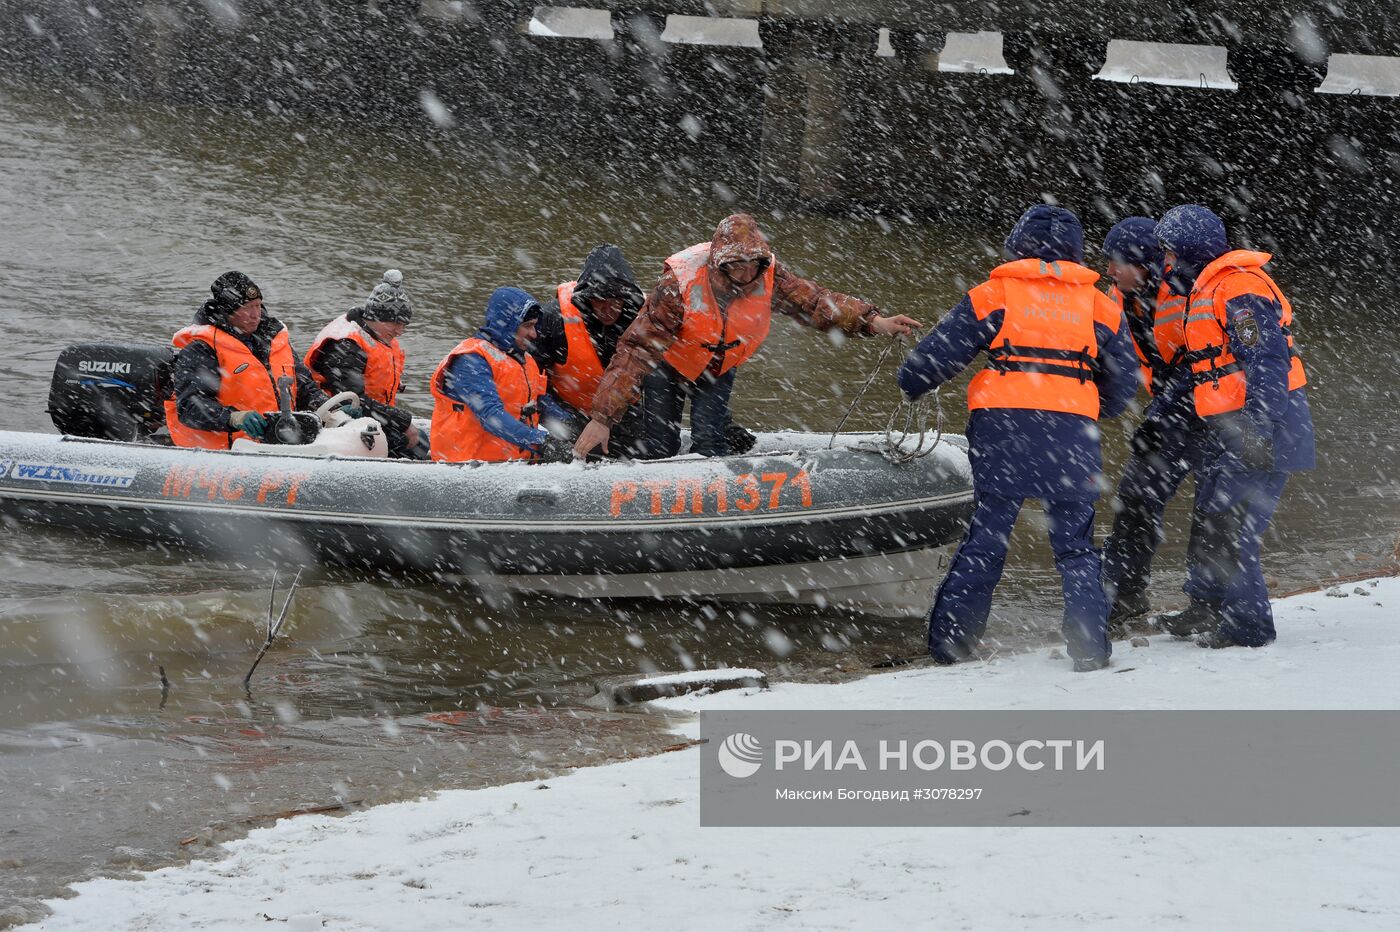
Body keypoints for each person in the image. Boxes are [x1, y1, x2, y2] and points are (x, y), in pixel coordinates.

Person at [897, 205, 1139, 672]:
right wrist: (1095, 406)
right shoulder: (1100, 305)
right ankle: (1090, 649)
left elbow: (941, 353)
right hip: (1072, 433)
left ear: (1018, 244)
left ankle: (953, 645)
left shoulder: (995, 294)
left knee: (986, 539)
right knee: (1076, 547)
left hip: (1003, 430)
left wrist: (912, 383)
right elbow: (1124, 379)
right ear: (1075, 251)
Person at [573, 213, 921, 460]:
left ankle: (711, 516)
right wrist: (602, 418)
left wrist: (874, 322)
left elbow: (817, 304)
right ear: (719, 263)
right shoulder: (677, 285)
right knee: (660, 445)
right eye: (735, 264)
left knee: (710, 442)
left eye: (751, 263)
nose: (744, 272)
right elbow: (636, 349)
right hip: (670, 364)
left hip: (718, 365)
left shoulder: (770, 275)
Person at [1151, 205, 1315, 648]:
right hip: (1234, 427)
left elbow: (1267, 362)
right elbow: (1206, 366)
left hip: (1263, 426)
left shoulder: (1239, 288)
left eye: (1169, 252)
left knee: (1234, 526)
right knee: (1212, 515)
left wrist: (1259, 429)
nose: (1165, 263)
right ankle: (1205, 607)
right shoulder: (1208, 288)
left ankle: (1248, 627)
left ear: (1188, 252)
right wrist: (1164, 409)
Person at [1096, 217, 1208, 629]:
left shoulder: (1188, 292)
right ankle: (1124, 594)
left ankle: (1207, 602)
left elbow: (1199, 365)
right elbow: (1104, 358)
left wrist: (1158, 418)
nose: (1108, 270)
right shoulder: (1118, 296)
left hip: (1218, 410)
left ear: (1143, 264)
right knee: (1136, 497)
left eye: (1116, 262)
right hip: (1170, 410)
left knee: (1215, 509)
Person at [165, 271, 328, 449]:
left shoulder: (275, 340)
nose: (255, 314)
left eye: (258, 305)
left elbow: (305, 388)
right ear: (228, 312)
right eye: (246, 308)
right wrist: (233, 418)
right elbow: (190, 407)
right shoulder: (202, 348)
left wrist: (329, 408)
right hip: (227, 452)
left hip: (280, 443)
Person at [428, 287, 574, 463]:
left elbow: (538, 404)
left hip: (510, 464)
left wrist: (569, 426)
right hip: (466, 467)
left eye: (535, 326)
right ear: (508, 325)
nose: (534, 334)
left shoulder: (526, 360)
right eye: (527, 326)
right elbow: (491, 416)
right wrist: (541, 441)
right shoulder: (471, 360)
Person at [529, 245, 649, 457]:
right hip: (565, 410)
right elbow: (529, 381)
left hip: (618, 411)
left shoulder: (645, 322)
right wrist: (560, 416)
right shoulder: (553, 320)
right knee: (566, 442)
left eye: (615, 301)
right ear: (586, 299)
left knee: (647, 445)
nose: (607, 308)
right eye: (599, 301)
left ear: (626, 299)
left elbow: (671, 376)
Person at [305, 269, 423, 458]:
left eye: (404, 324)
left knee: (420, 443)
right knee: (414, 448)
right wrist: (402, 421)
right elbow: (352, 400)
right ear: (378, 317)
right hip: (337, 422)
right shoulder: (346, 346)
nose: (400, 331)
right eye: (396, 324)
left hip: (371, 417)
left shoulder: (379, 337)